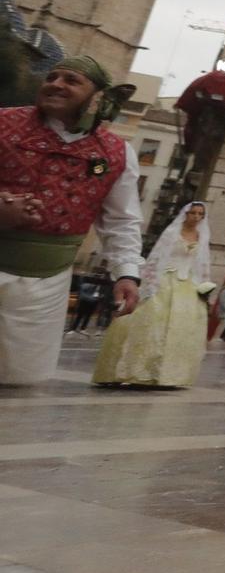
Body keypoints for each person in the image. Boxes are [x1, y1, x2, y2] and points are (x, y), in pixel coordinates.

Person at [0, 58, 143, 385]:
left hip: (46, 287)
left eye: (71, 80)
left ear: (97, 98)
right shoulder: (3, 123)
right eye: (51, 76)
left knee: (18, 378)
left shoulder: (114, 154)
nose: (56, 84)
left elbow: (121, 221)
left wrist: (126, 274)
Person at [92, 201, 212, 388]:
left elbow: (203, 263)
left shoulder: (202, 236)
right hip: (164, 280)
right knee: (150, 321)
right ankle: (137, 370)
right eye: (193, 213)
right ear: (185, 214)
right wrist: (148, 284)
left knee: (183, 327)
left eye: (200, 214)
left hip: (187, 284)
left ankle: (168, 375)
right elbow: (156, 258)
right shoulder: (172, 233)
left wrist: (205, 285)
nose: (196, 217)